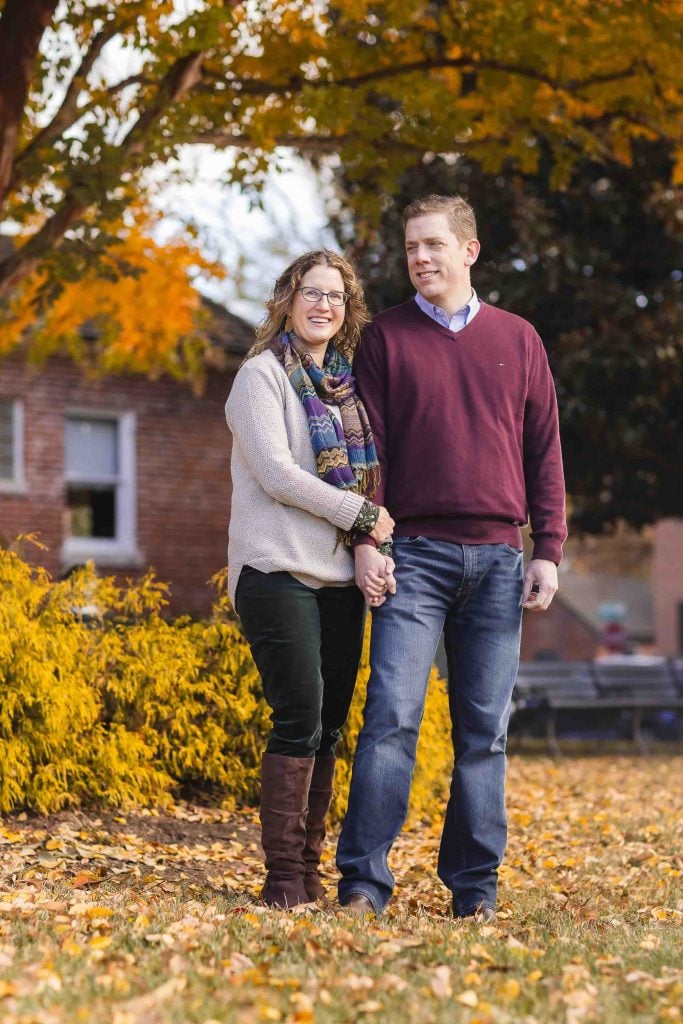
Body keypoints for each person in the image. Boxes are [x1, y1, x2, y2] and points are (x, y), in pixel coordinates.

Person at [337, 195, 567, 921]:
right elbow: (364, 454)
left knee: (483, 735)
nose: (420, 258)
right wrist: (367, 539)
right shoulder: (384, 340)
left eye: (433, 244)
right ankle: (363, 885)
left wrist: (548, 549)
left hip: (499, 559)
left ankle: (474, 891)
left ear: (469, 250)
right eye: (410, 247)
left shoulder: (519, 339)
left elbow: (544, 453)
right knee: (390, 720)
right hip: (414, 557)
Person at [225, 250, 395, 909]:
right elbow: (275, 473)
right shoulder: (259, 377)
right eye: (310, 292)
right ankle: (281, 880)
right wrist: (362, 515)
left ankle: (309, 869)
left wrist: (365, 539)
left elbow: (366, 480)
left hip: (337, 579)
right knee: (297, 715)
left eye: (336, 296)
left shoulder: (348, 391)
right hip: (274, 570)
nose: (323, 304)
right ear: (287, 301)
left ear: (346, 311)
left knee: (329, 725)